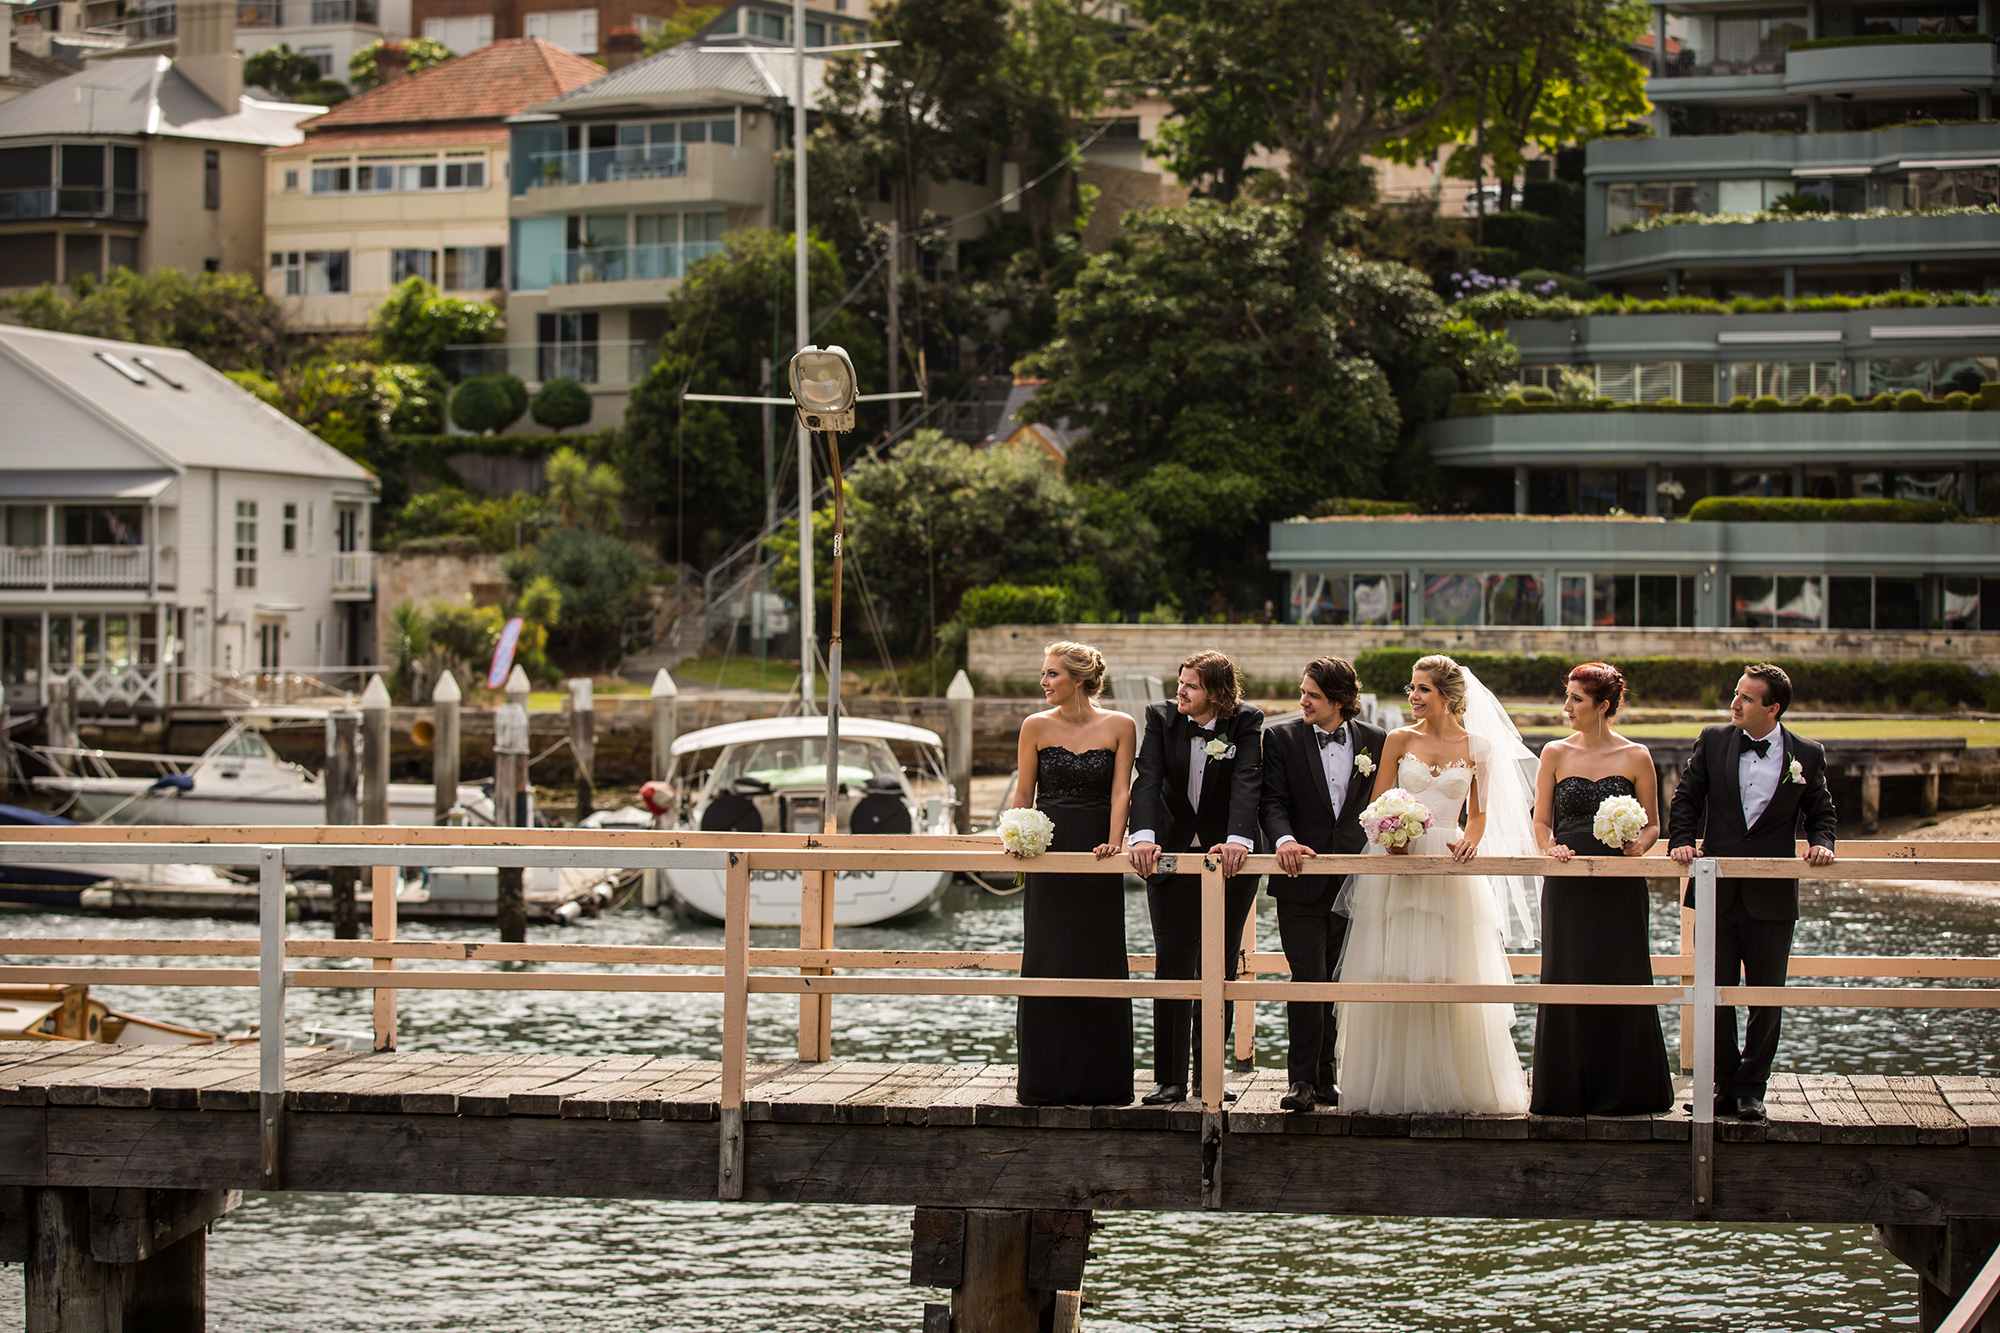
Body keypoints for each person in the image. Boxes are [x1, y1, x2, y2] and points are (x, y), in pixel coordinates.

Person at [1336, 654, 1533, 1116]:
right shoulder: (1399, 740)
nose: (1412, 696)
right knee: (1394, 968)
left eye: (1422, 688)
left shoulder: (1478, 746)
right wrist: (1391, 839)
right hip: (1398, 861)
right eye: (1411, 687)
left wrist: (1471, 840)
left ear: (1447, 696)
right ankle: (1393, 1087)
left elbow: (1479, 813)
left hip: (1450, 862)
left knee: (1452, 970)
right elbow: (1378, 801)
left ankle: (1455, 1087)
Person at [1667, 662, 1837, 1122]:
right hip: (1716, 892)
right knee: (1714, 993)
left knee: (1767, 997)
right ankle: (1723, 1086)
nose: (1734, 703)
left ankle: (1751, 1089)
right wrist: (1681, 839)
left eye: (1746, 697)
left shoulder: (1807, 754)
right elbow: (1687, 797)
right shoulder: (1714, 739)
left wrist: (1822, 844)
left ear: (1773, 708)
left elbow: (1822, 813)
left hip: (1772, 898)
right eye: (1735, 693)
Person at [1530, 662, 1675, 1117]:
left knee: (1622, 972)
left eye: (1576, 699)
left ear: (1603, 706)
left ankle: (1628, 1090)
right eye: (1567, 696)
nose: (1566, 706)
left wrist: (1639, 846)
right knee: (1567, 973)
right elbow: (1539, 820)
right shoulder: (1554, 752)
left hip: (1620, 882)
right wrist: (1549, 848)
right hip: (1568, 881)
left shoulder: (1637, 756)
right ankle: (1564, 1091)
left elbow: (1654, 824)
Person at [1127, 650, 1264, 1105]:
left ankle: (1209, 1076)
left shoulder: (1246, 721)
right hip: (1168, 860)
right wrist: (1142, 836)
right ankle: (1168, 1079)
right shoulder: (1160, 717)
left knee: (1218, 969)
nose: (1180, 691)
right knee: (1171, 965)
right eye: (1180, 681)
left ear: (1218, 694)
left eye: (1192, 685)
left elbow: (1247, 779)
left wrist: (1239, 839)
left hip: (1229, 864)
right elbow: (1146, 778)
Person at [1013, 640, 1139, 1107]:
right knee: (1049, 955)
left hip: (1098, 854)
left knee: (1098, 955)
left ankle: (1103, 1082)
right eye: (1044, 674)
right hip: (1048, 853)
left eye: (1052, 675)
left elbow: (1121, 791)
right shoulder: (1034, 727)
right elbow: (1024, 792)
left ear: (1079, 679)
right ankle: (1044, 1082)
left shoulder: (1121, 725)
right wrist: (1017, 838)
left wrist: (1115, 840)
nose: (1044, 683)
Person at [1260, 656, 1386, 1113]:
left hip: (1355, 879)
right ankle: (1300, 1080)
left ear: (1338, 700)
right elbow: (1271, 801)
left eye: (1312, 694)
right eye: (1303, 692)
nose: (1302, 701)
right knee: (1305, 977)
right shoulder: (1281, 737)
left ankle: (1328, 1079)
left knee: (1338, 978)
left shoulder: (1376, 740)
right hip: (1298, 877)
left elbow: (1383, 802)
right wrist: (1285, 839)